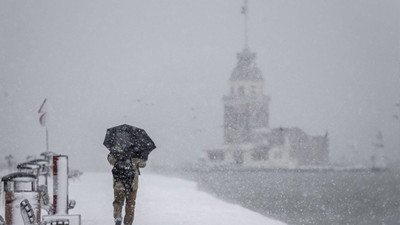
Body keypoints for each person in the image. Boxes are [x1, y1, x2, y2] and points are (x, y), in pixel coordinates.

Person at [108, 152, 147, 225]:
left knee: (118, 201)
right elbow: (143, 164)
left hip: (119, 181)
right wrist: (140, 159)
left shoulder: (117, 148)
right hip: (132, 183)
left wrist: (112, 156)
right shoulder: (137, 149)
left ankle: (118, 216)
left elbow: (111, 160)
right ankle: (128, 222)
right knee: (130, 203)